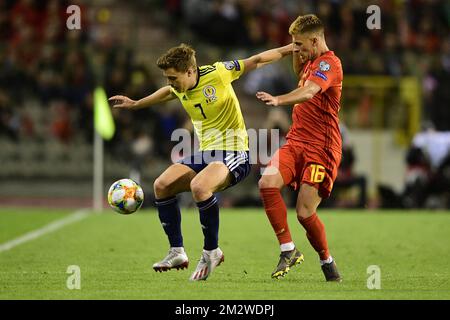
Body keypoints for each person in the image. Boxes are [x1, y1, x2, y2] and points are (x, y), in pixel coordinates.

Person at [109, 43, 293, 281]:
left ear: (190, 71)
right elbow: (167, 93)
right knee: (161, 185)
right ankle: (177, 251)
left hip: (235, 152)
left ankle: (211, 251)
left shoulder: (218, 73)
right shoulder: (178, 86)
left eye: (173, 77)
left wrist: (291, 48)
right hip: (207, 154)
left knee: (200, 186)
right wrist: (136, 103)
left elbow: (256, 60)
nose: (170, 83)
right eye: (167, 78)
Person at [256, 14, 343, 281]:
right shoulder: (309, 60)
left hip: (321, 148)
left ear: (315, 40)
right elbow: (298, 72)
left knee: (305, 213)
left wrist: (278, 100)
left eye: (300, 45)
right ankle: (288, 250)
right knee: (267, 183)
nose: (298, 49)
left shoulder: (330, 64)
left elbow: (308, 92)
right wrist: (291, 50)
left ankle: (327, 260)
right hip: (296, 142)